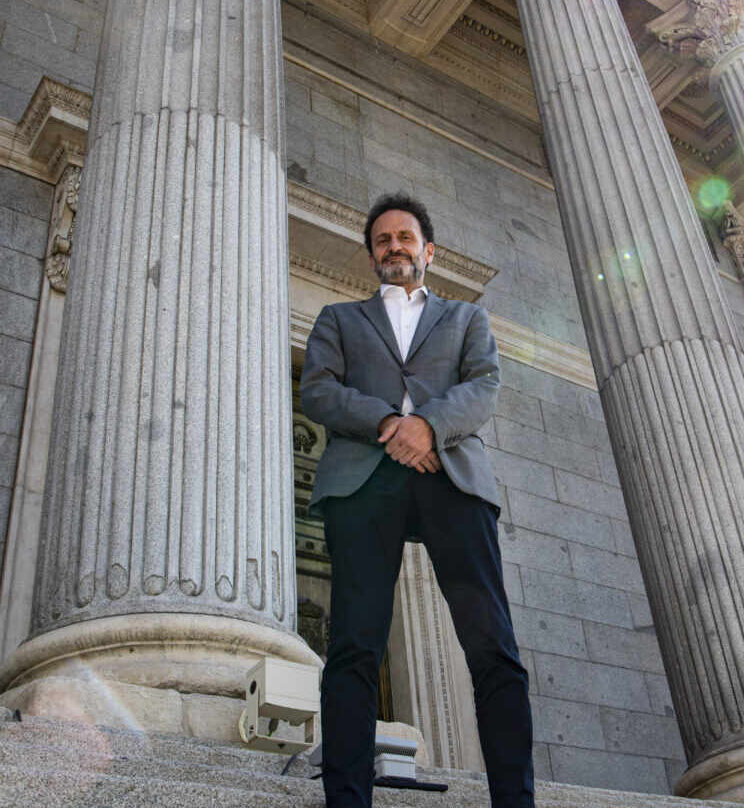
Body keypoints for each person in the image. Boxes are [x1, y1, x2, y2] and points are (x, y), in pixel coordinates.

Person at [300, 193, 535, 808]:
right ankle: (346, 799)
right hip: (364, 480)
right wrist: (389, 425)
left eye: (405, 237)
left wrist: (428, 427)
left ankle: (516, 799)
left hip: (451, 476)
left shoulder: (465, 321)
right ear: (373, 255)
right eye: (383, 240)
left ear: (427, 251)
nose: (394, 247)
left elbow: (484, 385)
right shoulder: (338, 319)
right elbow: (319, 391)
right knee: (354, 643)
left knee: (492, 643)